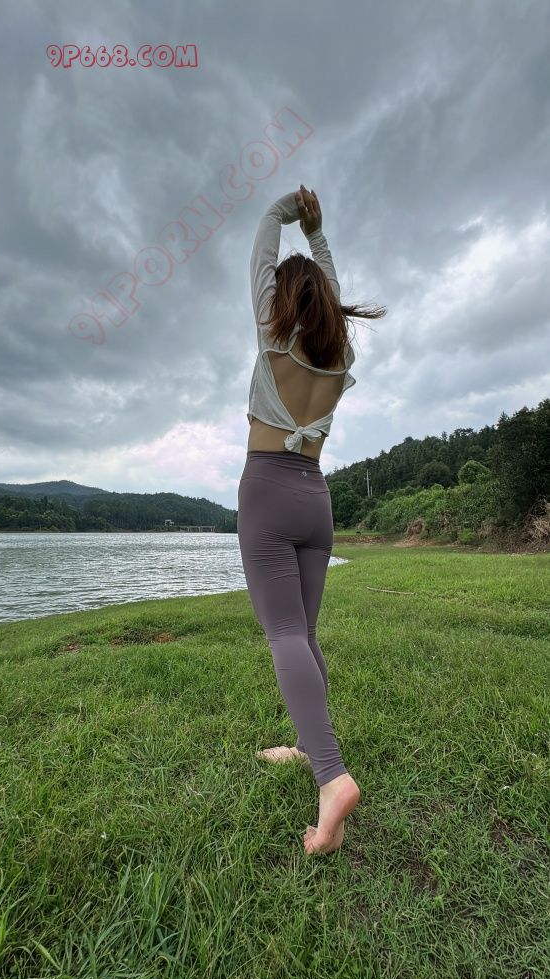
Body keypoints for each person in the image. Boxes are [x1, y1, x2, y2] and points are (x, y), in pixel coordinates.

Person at [237, 184, 387, 855]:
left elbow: (261, 258)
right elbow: (327, 286)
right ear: (324, 300)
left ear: (282, 298)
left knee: (284, 633)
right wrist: (318, 232)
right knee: (304, 631)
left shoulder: (273, 334)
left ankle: (331, 776)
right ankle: (308, 745)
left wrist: (281, 214)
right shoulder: (339, 357)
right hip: (315, 497)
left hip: (268, 490)